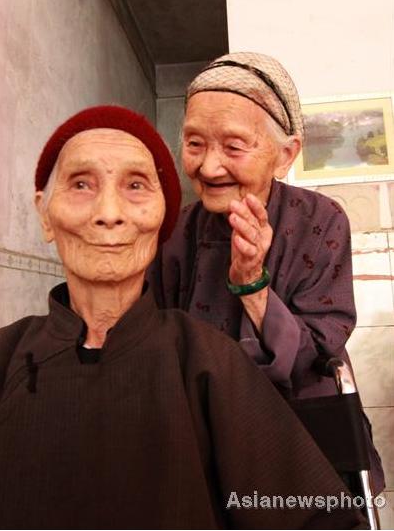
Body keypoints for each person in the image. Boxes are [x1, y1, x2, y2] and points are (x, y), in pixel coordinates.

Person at [0, 105, 367, 529]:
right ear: (45, 213)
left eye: (136, 186)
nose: (109, 212)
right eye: (81, 184)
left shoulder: (208, 363)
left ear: (161, 221)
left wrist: (252, 284)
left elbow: (313, 517)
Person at [146, 52, 384, 493]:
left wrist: (253, 284)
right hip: (203, 431)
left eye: (233, 147)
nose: (209, 166)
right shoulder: (174, 230)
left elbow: (319, 347)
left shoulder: (321, 220)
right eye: (194, 143)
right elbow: (156, 340)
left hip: (301, 427)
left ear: (285, 153)